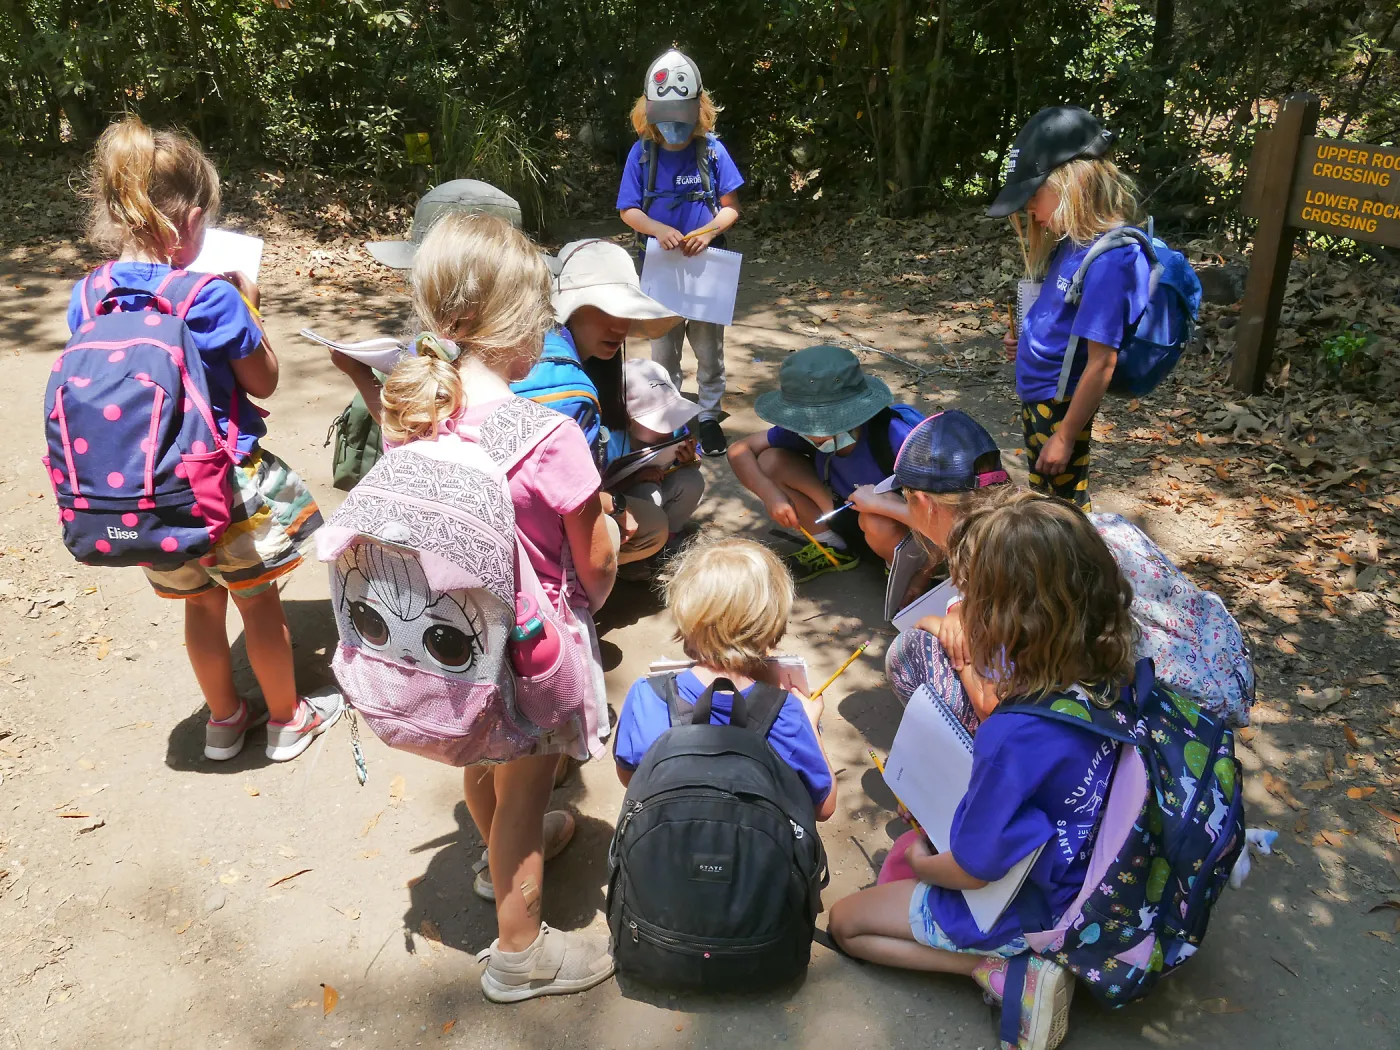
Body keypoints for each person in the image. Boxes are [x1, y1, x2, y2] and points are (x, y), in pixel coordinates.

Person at [377, 211, 617, 1001]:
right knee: (524, 785)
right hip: (526, 657)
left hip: (450, 650)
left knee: (484, 766)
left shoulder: (414, 416)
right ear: (523, 326)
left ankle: (493, 853)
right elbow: (596, 570)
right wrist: (610, 530)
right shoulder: (550, 437)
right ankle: (521, 955)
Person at [70, 115, 340, 763]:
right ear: (191, 221)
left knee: (198, 608)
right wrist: (249, 308)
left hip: (141, 493)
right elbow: (265, 381)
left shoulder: (88, 295)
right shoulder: (210, 298)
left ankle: (223, 721)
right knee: (257, 604)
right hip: (222, 487)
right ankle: (286, 719)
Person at [828, 493, 1136, 1050]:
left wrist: (924, 864)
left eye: (971, 600)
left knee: (846, 924)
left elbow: (974, 868)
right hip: (1094, 868)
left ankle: (999, 969)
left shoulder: (1012, 733)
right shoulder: (1116, 671)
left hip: (1029, 904)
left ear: (1005, 618)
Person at [857, 409, 1255, 725]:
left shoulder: (997, 571)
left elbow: (992, 706)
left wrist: (935, 625)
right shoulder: (1071, 523)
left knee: (911, 651)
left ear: (923, 503)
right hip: (1217, 675)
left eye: (906, 497)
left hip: (1151, 725)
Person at [990, 105, 1150, 510]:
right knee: (1047, 497)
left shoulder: (1113, 259)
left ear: (1069, 183)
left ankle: (1075, 570)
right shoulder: (1072, 240)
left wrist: (1065, 435)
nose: (1028, 209)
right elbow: (1059, 315)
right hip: (1038, 394)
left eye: (1033, 196)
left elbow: (1101, 364)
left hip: (1060, 408)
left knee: (1062, 507)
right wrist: (1024, 340)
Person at [612, 537, 836, 821]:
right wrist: (811, 724)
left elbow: (630, 778)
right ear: (772, 627)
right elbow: (824, 808)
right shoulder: (786, 714)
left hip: (664, 849)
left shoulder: (647, 697)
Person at [510, 238, 690, 574]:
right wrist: (614, 504)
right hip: (534, 518)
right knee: (651, 524)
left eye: (625, 313)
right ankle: (571, 587)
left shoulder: (543, 346)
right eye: (605, 309)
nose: (620, 327)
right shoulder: (565, 383)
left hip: (530, 507)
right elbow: (553, 488)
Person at [618, 48, 744, 458]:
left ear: (698, 110)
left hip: (708, 266)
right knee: (663, 348)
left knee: (710, 350)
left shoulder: (711, 151)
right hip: (660, 267)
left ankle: (709, 416)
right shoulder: (642, 152)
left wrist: (706, 233)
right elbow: (629, 210)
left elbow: (730, 207)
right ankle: (669, 416)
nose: (674, 127)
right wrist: (658, 230)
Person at [727, 344, 924, 582]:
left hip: (897, 523)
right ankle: (832, 545)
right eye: (805, 424)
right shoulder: (804, 430)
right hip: (843, 508)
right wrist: (771, 495)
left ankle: (902, 570)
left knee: (874, 521)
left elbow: (946, 515)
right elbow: (740, 450)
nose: (811, 434)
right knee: (771, 460)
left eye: (822, 425)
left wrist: (881, 507)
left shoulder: (896, 436)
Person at [603, 358, 706, 570]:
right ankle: (636, 554)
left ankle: (669, 539)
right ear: (627, 416)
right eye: (659, 419)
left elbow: (695, 459)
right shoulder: (608, 438)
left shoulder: (675, 428)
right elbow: (594, 496)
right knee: (649, 492)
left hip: (661, 486)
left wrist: (690, 460)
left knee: (692, 480)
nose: (669, 427)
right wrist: (634, 479)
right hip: (623, 506)